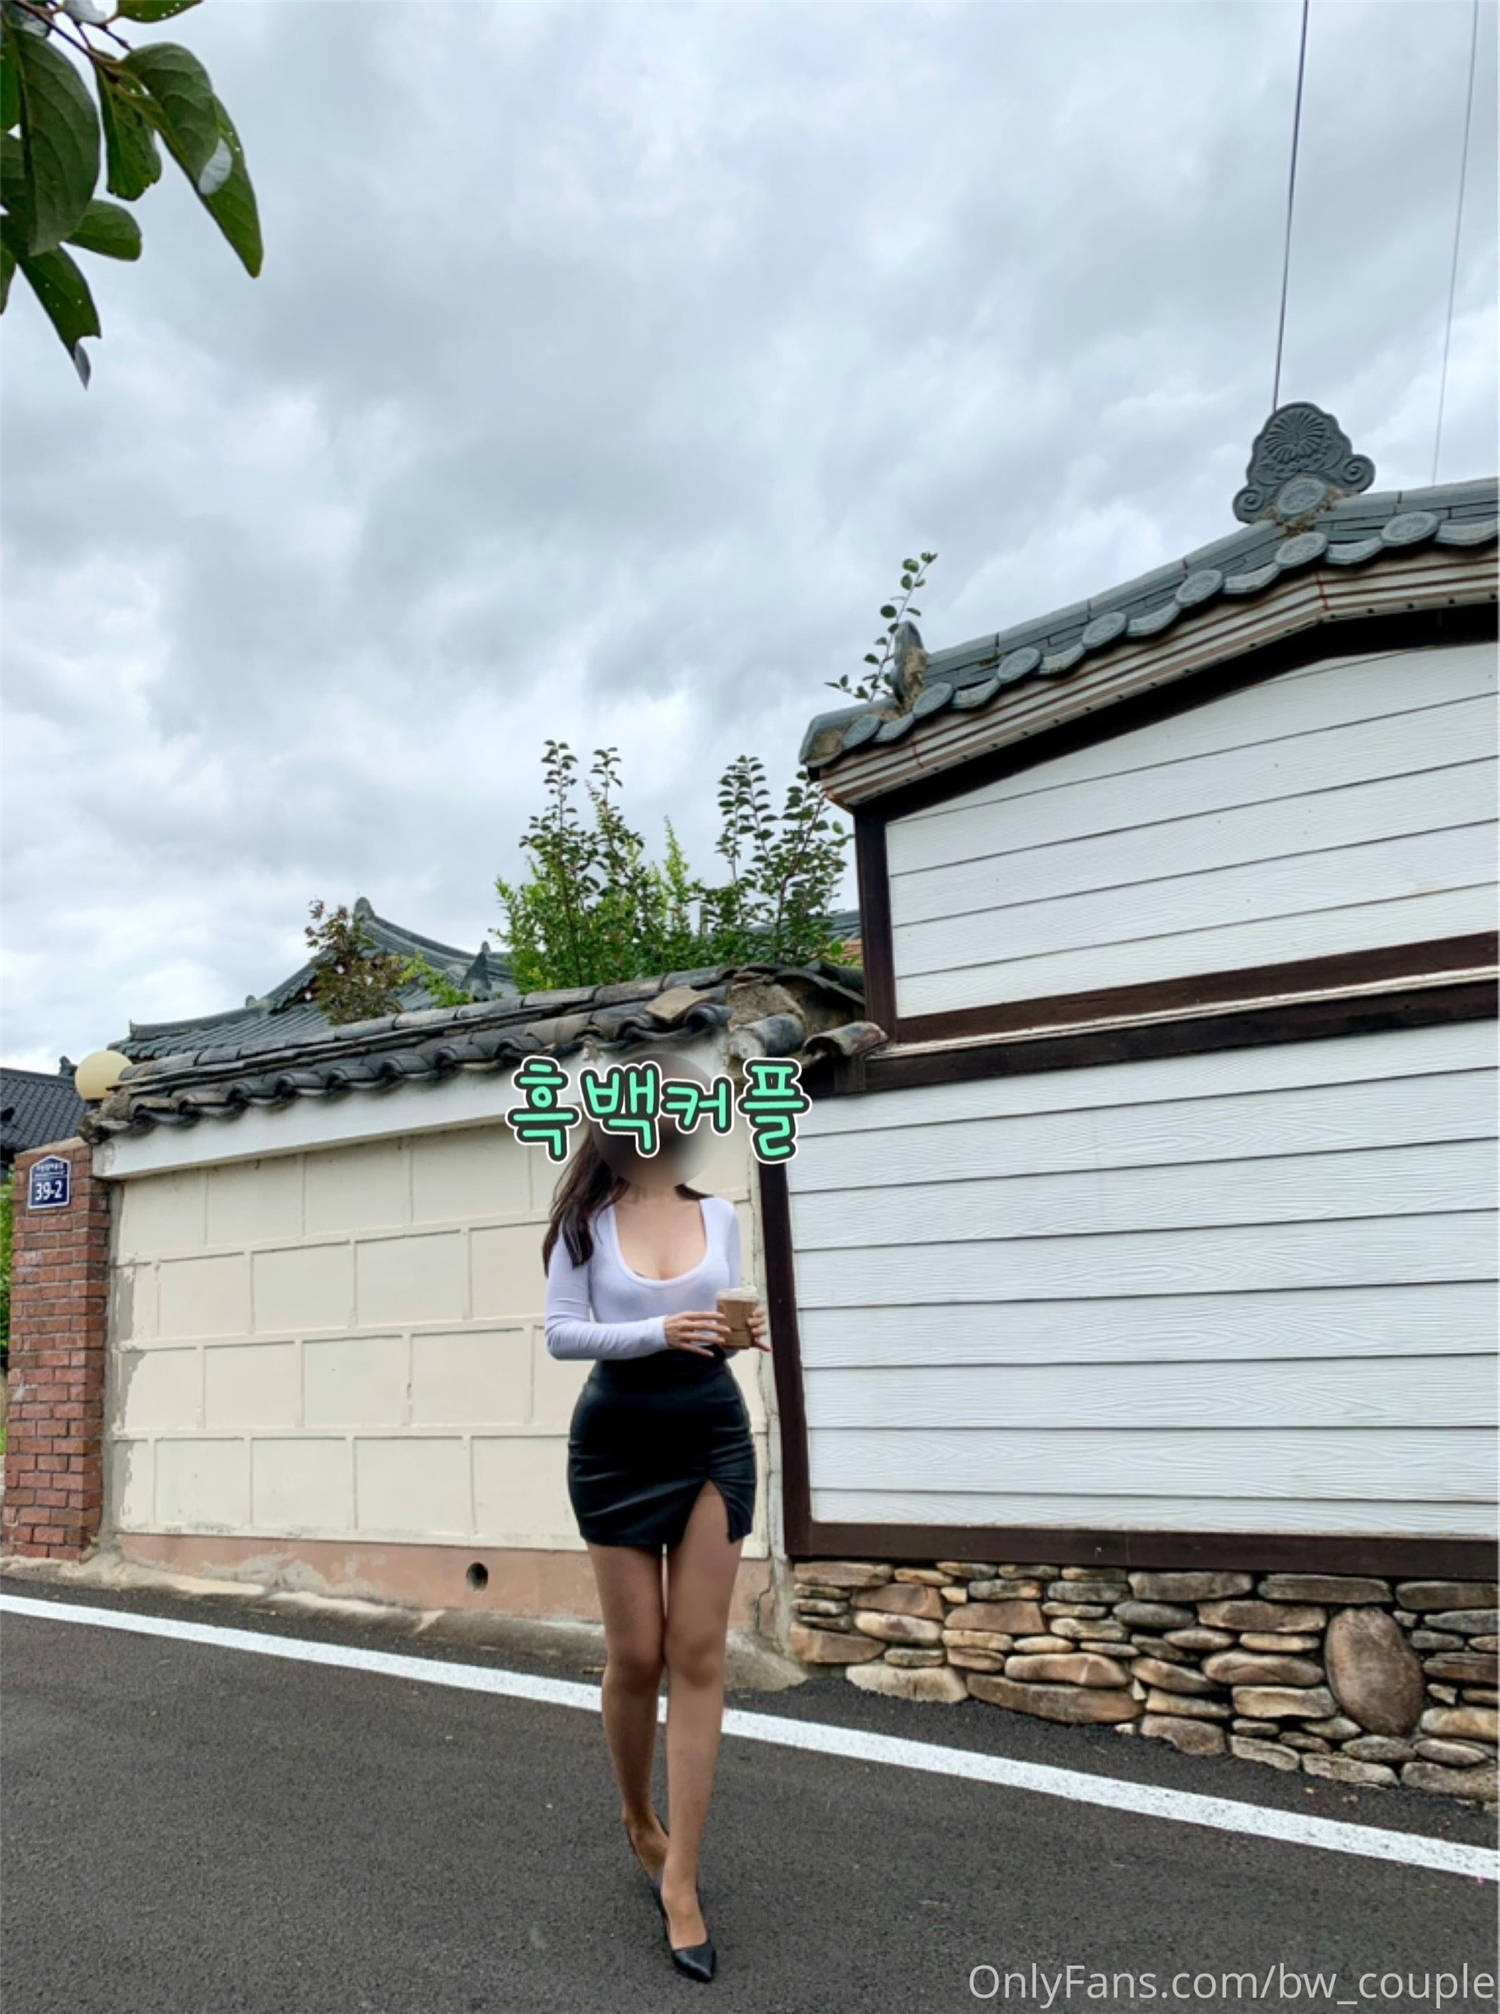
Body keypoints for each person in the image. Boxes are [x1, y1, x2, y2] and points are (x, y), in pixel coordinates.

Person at [542, 1117, 769, 1985]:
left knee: (697, 1652)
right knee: (636, 1656)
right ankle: (640, 1819)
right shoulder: (583, 1224)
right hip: (616, 1444)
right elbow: (563, 1332)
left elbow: (718, 1319)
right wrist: (656, 1332)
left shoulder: (720, 1215)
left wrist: (738, 1333)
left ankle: (682, 1878)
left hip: (712, 1434)